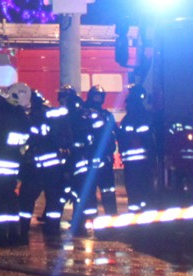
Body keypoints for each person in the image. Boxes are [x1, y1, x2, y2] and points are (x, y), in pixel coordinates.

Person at [0, 84, 32, 246]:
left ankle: (0, 236)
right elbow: (24, 144)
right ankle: (14, 234)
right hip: (12, 166)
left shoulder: (0, 114)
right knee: (10, 200)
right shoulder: (24, 119)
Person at [70, 87, 119, 235]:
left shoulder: (107, 115)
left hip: (104, 161)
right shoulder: (83, 114)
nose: (98, 99)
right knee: (89, 194)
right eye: (95, 96)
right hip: (89, 161)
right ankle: (89, 223)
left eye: (100, 96)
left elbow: (112, 136)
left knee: (107, 192)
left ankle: (111, 223)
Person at [24, 89, 70, 244]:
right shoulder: (51, 114)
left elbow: (30, 138)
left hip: (37, 165)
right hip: (53, 164)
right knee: (54, 198)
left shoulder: (32, 117)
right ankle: (53, 227)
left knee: (28, 196)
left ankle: (23, 226)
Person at [118, 84, 157, 213]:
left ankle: (135, 213)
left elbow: (122, 138)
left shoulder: (127, 119)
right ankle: (144, 212)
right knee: (144, 189)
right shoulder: (146, 117)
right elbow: (150, 139)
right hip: (145, 162)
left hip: (130, 163)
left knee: (133, 190)